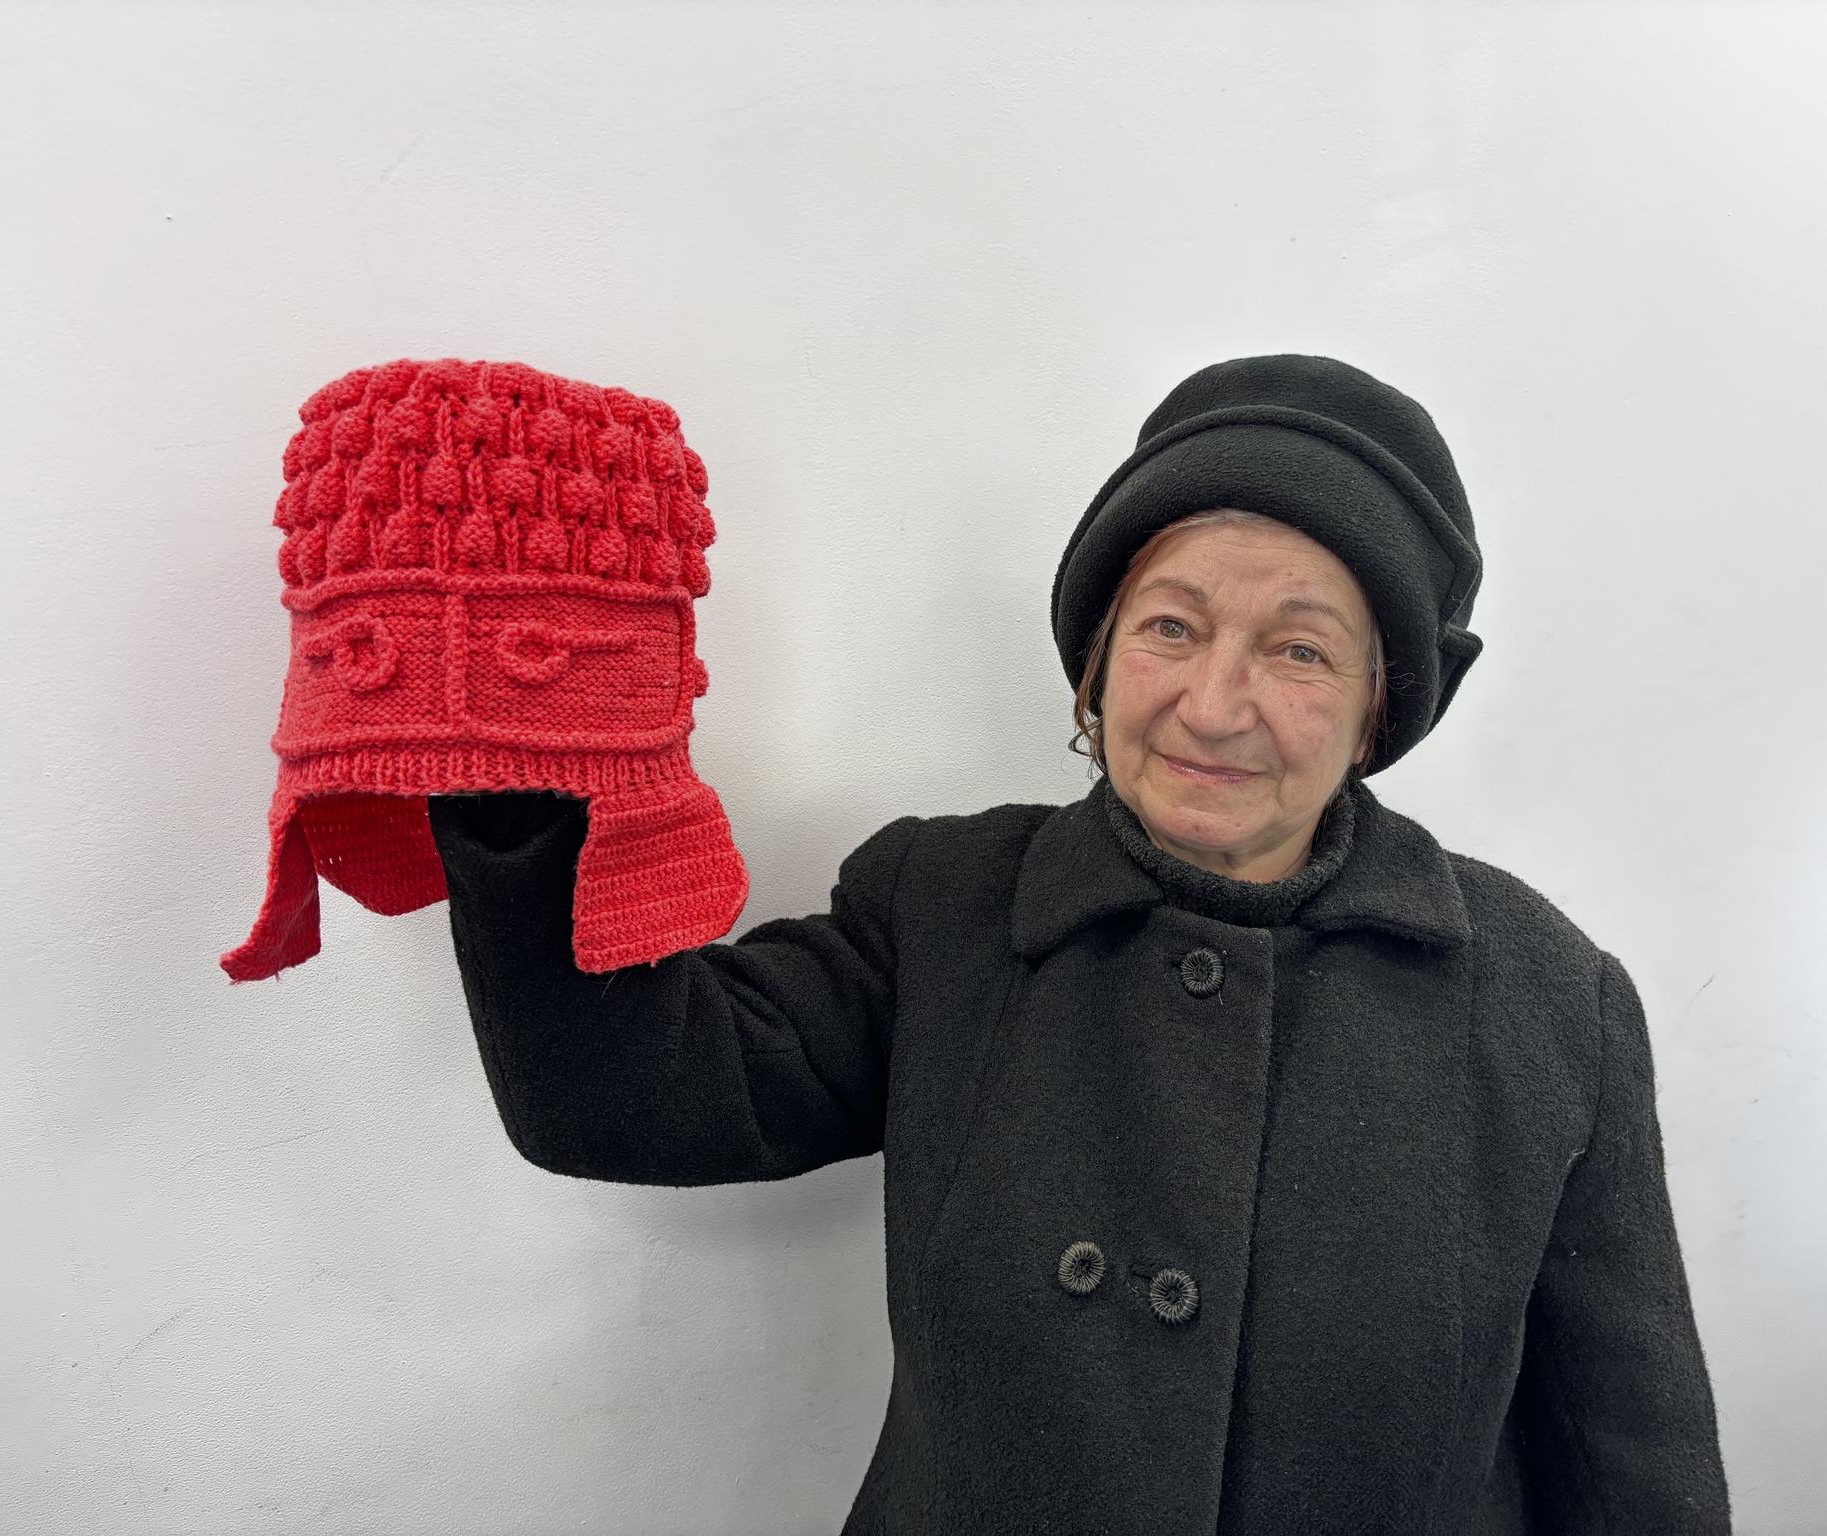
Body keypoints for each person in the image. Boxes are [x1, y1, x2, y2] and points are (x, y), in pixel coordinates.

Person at [428, 354, 1732, 1534]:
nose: (1213, 705)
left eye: (1299, 650)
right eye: (1171, 625)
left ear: (1379, 709)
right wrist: (517, 734)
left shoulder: (1549, 1002)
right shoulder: (941, 907)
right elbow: (617, 1091)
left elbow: (1630, 1462)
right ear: (1096, 662)